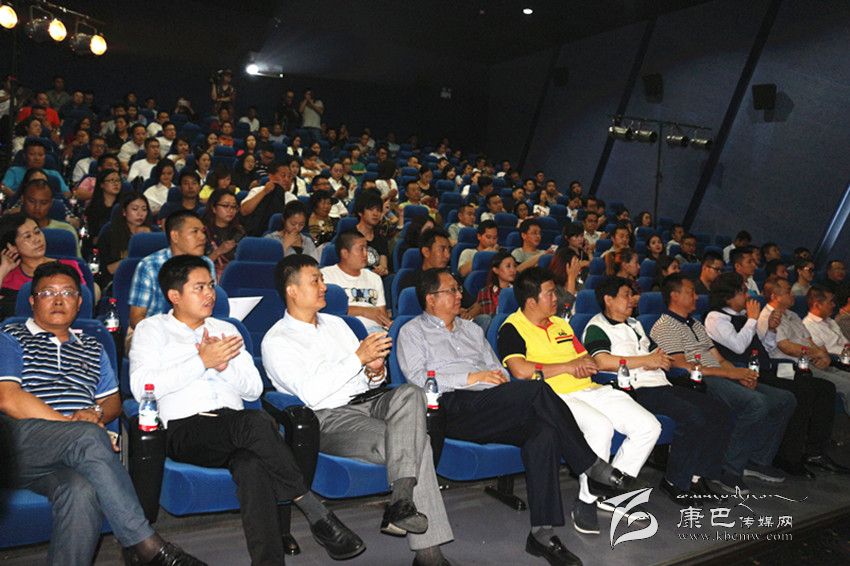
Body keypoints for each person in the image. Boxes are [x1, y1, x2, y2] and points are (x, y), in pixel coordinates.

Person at [399, 268, 646, 566]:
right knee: (536, 389)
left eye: (458, 289)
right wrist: (472, 377)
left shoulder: (472, 330)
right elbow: (417, 378)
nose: (459, 295)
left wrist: (494, 379)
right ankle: (589, 463)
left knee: (544, 432)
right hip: (452, 407)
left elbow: (499, 371)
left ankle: (542, 534)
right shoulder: (412, 332)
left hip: (492, 403)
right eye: (451, 290)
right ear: (431, 298)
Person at [130, 255, 363, 564]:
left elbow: (253, 389)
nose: (210, 294)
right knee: (255, 422)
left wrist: (224, 366)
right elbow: (141, 387)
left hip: (236, 428)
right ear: (174, 295)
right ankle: (313, 509)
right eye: (199, 288)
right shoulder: (152, 330)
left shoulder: (228, 330)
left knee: (252, 466)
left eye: (211, 286)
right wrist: (201, 362)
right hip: (186, 428)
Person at [0, 262, 204, 566]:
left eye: (68, 293)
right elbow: (8, 398)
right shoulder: (9, 335)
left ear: (79, 302)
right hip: (17, 444)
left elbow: (112, 403)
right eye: (48, 293)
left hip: (70, 456)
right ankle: (145, 546)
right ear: (32, 300)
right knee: (87, 438)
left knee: (80, 492)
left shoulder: (93, 346)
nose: (58, 300)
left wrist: (94, 413)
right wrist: (79, 430)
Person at [262, 255, 453, 566]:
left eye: (322, 279)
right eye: (315, 281)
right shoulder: (276, 341)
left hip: (369, 400)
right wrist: (358, 359)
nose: (324, 286)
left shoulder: (337, 325)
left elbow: (364, 376)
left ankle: (401, 501)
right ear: (292, 290)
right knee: (417, 441)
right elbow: (310, 394)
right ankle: (428, 553)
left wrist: (374, 371)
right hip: (329, 417)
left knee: (411, 393)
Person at [497, 267, 658, 534]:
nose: (557, 298)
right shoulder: (512, 328)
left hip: (588, 388)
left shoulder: (561, 324)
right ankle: (586, 500)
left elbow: (585, 357)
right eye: (550, 293)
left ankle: (607, 491)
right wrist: (568, 367)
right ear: (531, 301)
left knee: (649, 426)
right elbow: (520, 370)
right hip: (552, 396)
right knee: (600, 427)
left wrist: (584, 365)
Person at [583, 276, 736, 501]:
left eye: (632, 295)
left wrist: (659, 360)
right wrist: (646, 361)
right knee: (693, 416)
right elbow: (602, 362)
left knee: (721, 411)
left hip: (660, 383)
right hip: (634, 389)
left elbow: (658, 354)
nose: (632, 300)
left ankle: (697, 477)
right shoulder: (597, 327)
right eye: (626, 295)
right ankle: (676, 481)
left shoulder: (635, 324)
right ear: (608, 299)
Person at [651, 274, 795, 492]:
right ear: (674, 296)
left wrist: (739, 373)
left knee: (785, 399)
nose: (696, 296)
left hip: (719, 373)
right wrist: (729, 374)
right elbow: (681, 366)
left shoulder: (695, 324)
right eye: (691, 292)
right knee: (756, 403)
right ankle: (729, 469)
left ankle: (757, 459)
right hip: (699, 380)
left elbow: (718, 358)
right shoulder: (665, 326)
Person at [705, 273, 843, 478]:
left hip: (766, 366)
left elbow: (765, 347)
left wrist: (770, 329)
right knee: (801, 391)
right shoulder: (716, 318)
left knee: (824, 387)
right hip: (742, 371)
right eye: (743, 291)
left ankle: (814, 451)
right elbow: (738, 345)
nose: (748, 296)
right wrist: (753, 319)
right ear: (728, 296)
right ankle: (789, 456)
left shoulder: (743, 315)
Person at [128, 210, 215, 328]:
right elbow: (136, 318)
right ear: (175, 236)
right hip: (155, 330)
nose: (203, 237)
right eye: (195, 231)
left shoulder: (206, 264)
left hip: (197, 329)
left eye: (203, 232)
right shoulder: (149, 266)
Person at [396, 229, 484, 325]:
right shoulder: (410, 279)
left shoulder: (452, 279)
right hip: (426, 328)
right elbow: (415, 311)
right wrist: (453, 311)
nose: (447, 255)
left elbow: (476, 306)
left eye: (449, 250)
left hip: (458, 326)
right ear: (426, 252)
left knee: (483, 319)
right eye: (442, 249)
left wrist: (469, 314)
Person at [321, 231, 391, 333]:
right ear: (345, 253)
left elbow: (382, 315)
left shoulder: (374, 278)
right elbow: (326, 311)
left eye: (366, 249)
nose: (366, 254)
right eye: (361, 249)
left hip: (376, 332)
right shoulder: (325, 276)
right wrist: (363, 311)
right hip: (343, 332)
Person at [97, 192, 151, 289]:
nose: (140, 214)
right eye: (135, 209)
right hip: (117, 281)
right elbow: (107, 270)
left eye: (144, 209)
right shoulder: (109, 233)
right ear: (124, 212)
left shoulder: (153, 234)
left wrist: (147, 239)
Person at [18, 175, 81, 256]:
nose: (37, 207)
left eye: (43, 203)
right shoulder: (12, 228)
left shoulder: (66, 230)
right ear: (22, 199)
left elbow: (77, 262)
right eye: (32, 201)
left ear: (51, 203)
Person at [1, 139, 69, 200]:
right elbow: (3, 187)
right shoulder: (14, 171)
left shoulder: (54, 174)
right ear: (24, 156)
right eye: (32, 154)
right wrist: (18, 198)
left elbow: (67, 193)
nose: (37, 158)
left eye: (40, 155)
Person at [240, 161, 294, 237]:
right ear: (271, 176)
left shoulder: (292, 198)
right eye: (283, 175)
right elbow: (244, 211)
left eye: (289, 177)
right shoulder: (257, 190)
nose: (287, 180)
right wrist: (264, 192)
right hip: (255, 232)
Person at [202, 190, 245, 278]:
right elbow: (196, 265)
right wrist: (218, 252)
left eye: (234, 207)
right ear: (214, 208)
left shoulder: (239, 231)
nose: (230, 210)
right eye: (225, 205)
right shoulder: (202, 231)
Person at [354, 189, 390, 276]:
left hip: (376, 279)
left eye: (378, 210)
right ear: (360, 212)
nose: (375, 214)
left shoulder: (381, 238)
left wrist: (382, 270)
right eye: (371, 209)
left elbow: (384, 265)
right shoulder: (350, 236)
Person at [476, 250, 516, 316]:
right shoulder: (485, 292)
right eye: (508, 266)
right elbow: (490, 317)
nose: (513, 270)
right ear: (496, 270)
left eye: (514, 266)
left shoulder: (520, 290)